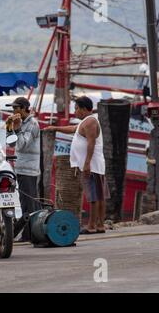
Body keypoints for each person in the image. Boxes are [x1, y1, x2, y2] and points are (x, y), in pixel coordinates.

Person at [45, 96, 109, 234]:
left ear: (84, 109)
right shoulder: (85, 122)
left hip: (93, 165)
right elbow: (73, 128)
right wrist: (56, 128)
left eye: (77, 108)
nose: (75, 111)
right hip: (93, 164)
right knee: (97, 195)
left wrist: (87, 164)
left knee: (95, 197)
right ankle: (99, 225)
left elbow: (91, 143)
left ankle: (93, 226)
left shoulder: (90, 122)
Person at [6, 97, 41, 242]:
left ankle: (29, 235)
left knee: (29, 203)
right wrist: (10, 129)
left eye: (17, 108)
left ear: (25, 108)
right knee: (25, 203)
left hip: (29, 170)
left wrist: (18, 128)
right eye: (13, 108)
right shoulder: (20, 124)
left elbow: (22, 145)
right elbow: (12, 145)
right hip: (21, 169)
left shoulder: (32, 124)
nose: (14, 111)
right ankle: (29, 233)